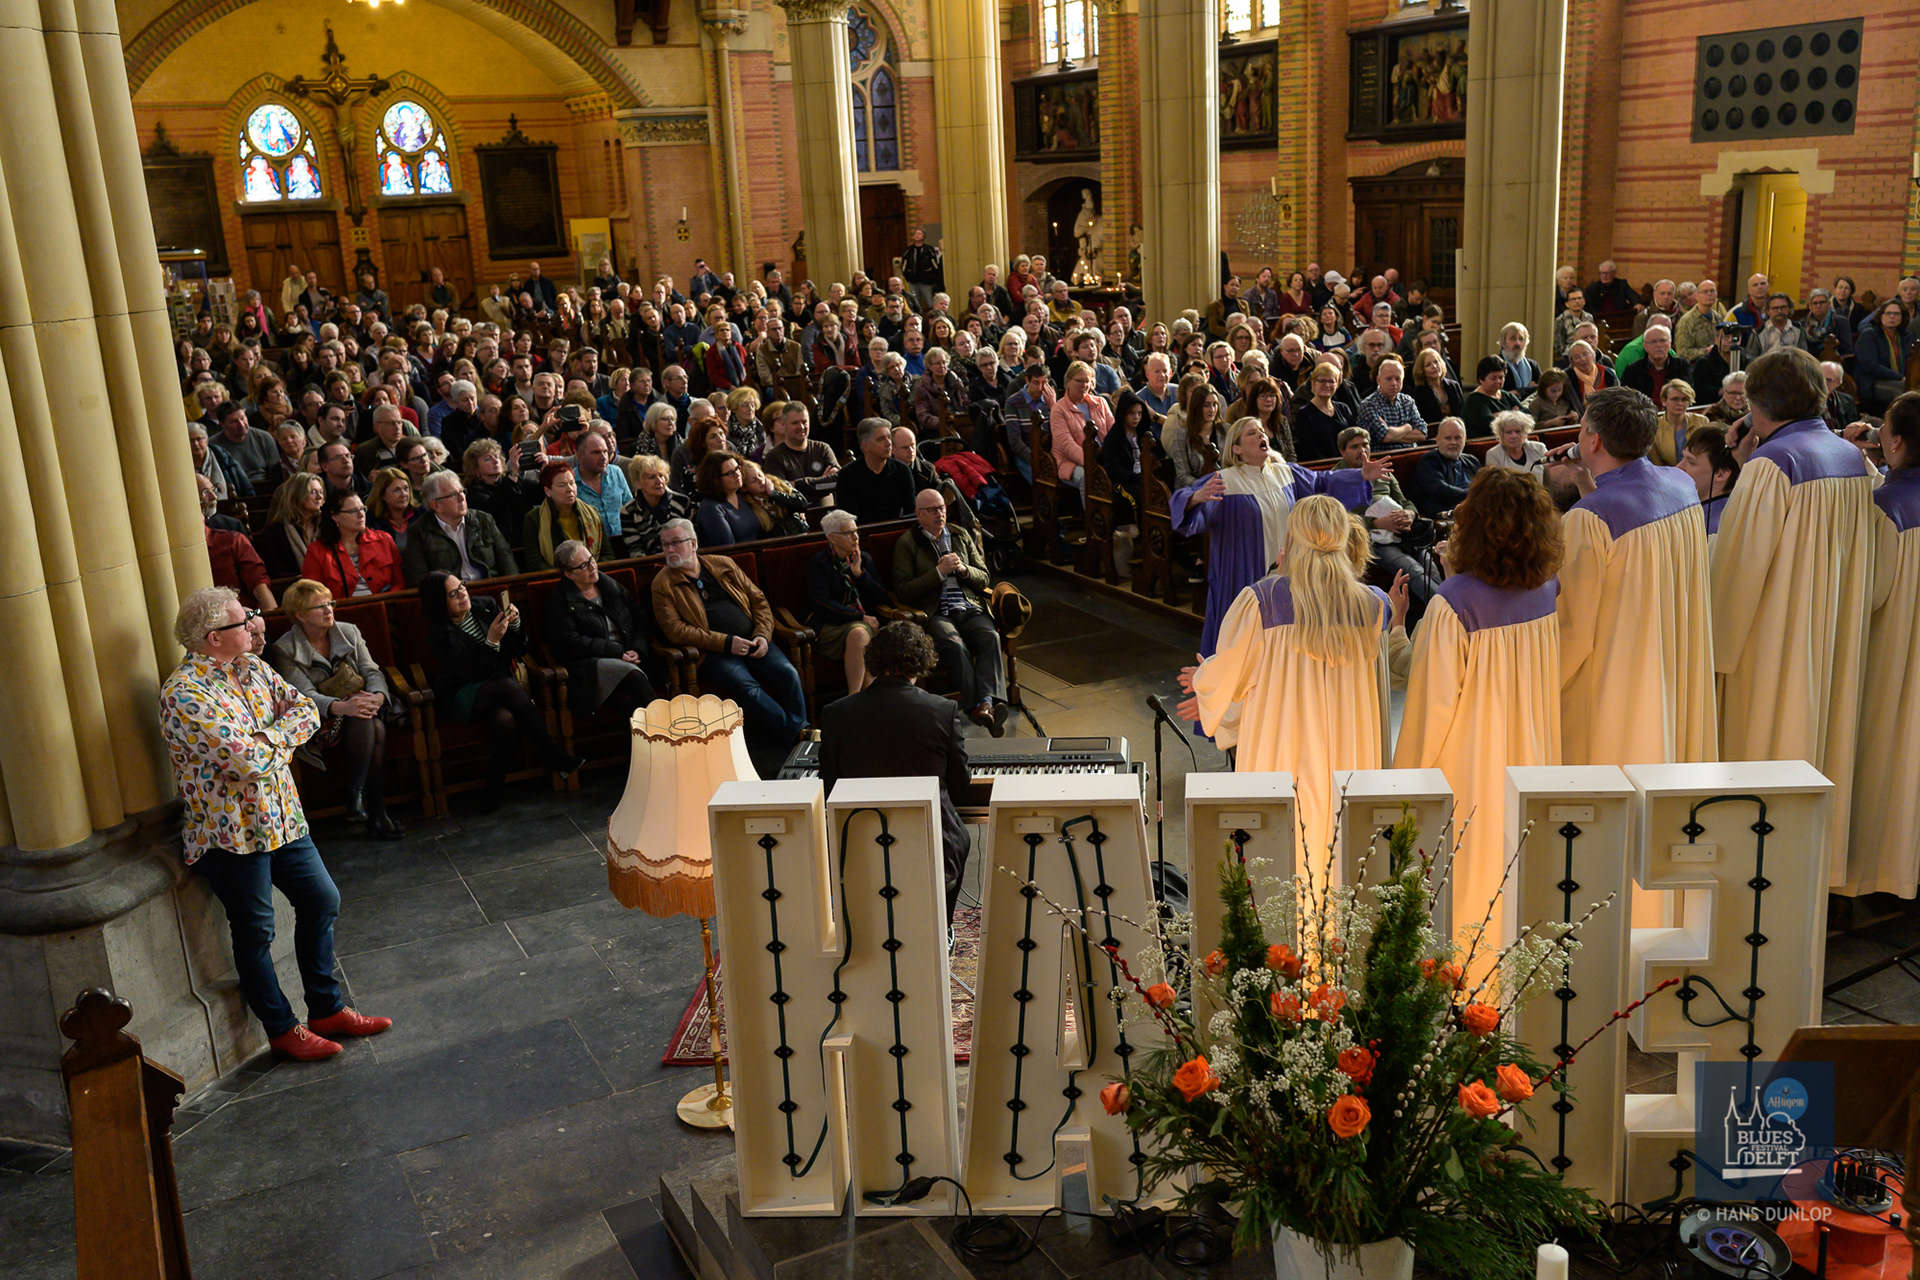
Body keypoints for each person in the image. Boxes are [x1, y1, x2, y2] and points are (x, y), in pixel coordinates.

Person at [159, 587, 391, 1062]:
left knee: (322, 900)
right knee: (256, 933)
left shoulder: (254, 667)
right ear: (213, 638)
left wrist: (268, 740)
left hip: (283, 818)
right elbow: (246, 761)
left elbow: (306, 710)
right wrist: (277, 742)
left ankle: (326, 1009)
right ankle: (283, 1029)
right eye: (241, 620)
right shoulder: (185, 693)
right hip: (231, 833)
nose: (252, 624)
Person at [1712, 346, 1879, 860]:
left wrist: (1713, 653)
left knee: (1767, 757)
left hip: (1776, 647)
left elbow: (1739, 569)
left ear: (1757, 405)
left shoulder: (1773, 464)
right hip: (1832, 636)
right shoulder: (1851, 458)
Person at [1393, 469, 1563, 950]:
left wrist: (1405, 787)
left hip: (1473, 767)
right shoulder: (1547, 588)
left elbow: (1430, 709)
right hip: (1531, 758)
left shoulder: (1453, 605)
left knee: (1473, 881)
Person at [1175, 495, 1400, 853]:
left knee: (1284, 846)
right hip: (1347, 743)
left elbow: (1231, 672)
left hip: (1283, 742)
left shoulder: (1261, 600)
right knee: (1340, 842)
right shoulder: (1373, 605)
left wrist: (1206, 682)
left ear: (1292, 538)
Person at [1548, 385, 1716, 772]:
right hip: (1671, 659)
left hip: (1619, 681)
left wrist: (1535, 681)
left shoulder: (1587, 518)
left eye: (1582, 427)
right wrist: (1586, 483)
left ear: (1594, 440)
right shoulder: (1682, 485)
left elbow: (1574, 626)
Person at [1171, 416, 1381, 655]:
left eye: (1261, 430)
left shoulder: (1285, 474)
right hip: (1243, 572)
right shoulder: (1224, 482)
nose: (1261, 435)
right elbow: (1183, 504)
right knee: (1245, 642)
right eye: (1252, 433)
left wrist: (1360, 476)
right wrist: (1195, 498)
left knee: (1284, 640)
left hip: (1288, 569)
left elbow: (1323, 483)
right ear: (1236, 448)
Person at [819, 622, 972, 920]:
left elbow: (830, 787)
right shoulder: (943, 710)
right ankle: (943, 924)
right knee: (958, 834)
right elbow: (960, 783)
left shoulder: (836, 713)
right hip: (932, 847)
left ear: (873, 660)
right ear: (921, 660)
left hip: (862, 849)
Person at [651, 519, 807, 771]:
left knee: (788, 673)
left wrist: (762, 634)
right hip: (714, 653)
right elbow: (675, 631)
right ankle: (801, 735)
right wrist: (726, 643)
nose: (669, 550)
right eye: (665, 544)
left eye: (676, 543)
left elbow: (758, 600)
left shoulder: (723, 565)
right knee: (748, 688)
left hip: (754, 640)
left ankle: (796, 736)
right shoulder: (663, 584)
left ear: (693, 543)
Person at [419, 571, 582, 809]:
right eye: (453, 594)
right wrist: (492, 641)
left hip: (498, 688)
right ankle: (553, 755)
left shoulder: (485, 605)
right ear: (438, 602)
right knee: (506, 686)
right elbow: (472, 674)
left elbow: (519, 649)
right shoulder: (438, 634)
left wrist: (515, 625)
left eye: (462, 586)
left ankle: (493, 791)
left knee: (504, 719)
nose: (463, 594)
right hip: (461, 694)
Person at [1843, 393, 1920, 896]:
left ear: (1895, 442)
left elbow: (1870, 594)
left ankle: (1874, 877)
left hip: (1896, 655)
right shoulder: (1892, 495)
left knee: (1886, 764)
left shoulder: (1887, 508)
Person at [269, 579, 402, 839]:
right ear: (300, 614)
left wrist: (377, 696)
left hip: (361, 710)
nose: (328, 610)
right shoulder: (285, 648)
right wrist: (342, 707)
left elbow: (371, 671)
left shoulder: (349, 632)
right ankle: (375, 809)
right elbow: (304, 696)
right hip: (321, 720)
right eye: (319, 606)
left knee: (368, 721)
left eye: (330, 603)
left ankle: (359, 796)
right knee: (371, 724)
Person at [893, 488, 1010, 735]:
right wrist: (938, 573)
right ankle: (980, 706)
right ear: (918, 514)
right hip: (936, 612)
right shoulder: (907, 543)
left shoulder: (960, 534)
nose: (939, 514)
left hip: (969, 606)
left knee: (991, 636)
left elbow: (984, 576)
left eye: (942, 508)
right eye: (932, 510)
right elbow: (903, 590)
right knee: (955, 645)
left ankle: (984, 705)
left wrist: (964, 570)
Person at [544, 539, 657, 725]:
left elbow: (640, 618)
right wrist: (616, 652)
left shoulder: (610, 586)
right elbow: (570, 642)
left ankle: (652, 740)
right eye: (583, 565)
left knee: (628, 704)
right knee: (633, 675)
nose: (592, 567)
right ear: (568, 574)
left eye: (591, 559)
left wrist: (637, 649)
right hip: (590, 665)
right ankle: (667, 731)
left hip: (627, 655)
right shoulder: (559, 600)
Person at [1336, 426, 1435, 621]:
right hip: (1371, 539)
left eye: (1365, 445)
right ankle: (1447, 610)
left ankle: (1445, 608)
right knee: (1413, 569)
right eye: (1354, 447)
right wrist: (1377, 523)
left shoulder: (1382, 471)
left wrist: (1410, 514)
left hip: (1403, 531)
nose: (1362, 450)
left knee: (1429, 563)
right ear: (1342, 451)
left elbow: (1404, 501)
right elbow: (1340, 519)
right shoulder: (1336, 478)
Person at [808, 509, 890, 696]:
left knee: (861, 634)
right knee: (860, 633)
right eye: (848, 533)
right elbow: (821, 604)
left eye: (856, 531)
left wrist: (859, 574)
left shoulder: (864, 559)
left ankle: (860, 702)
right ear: (832, 538)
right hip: (830, 627)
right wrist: (860, 616)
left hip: (860, 625)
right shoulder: (820, 563)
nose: (855, 537)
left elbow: (881, 597)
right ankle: (856, 697)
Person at [403, 470, 519, 585]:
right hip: (451, 594)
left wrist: (512, 588)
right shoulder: (419, 532)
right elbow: (418, 579)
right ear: (436, 505)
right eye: (454, 494)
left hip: (490, 587)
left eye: (462, 491)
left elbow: (506, 558)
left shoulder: (484, 520)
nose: (462, 498)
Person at [302, 489, 401, 597]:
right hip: (343, 606)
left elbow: (399, 582)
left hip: (385, 603)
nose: (361, 515)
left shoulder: (384, 540)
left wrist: (389, 600)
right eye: (353, 511)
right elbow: (314, 594)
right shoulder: (317, 551)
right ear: (335, 517)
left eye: (362, 509)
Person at [523, 458, 605, 569]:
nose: (570, 489)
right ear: (548, 491)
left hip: (593, 571)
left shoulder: (592, 513)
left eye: (572, 483)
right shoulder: (534, 518)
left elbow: (606, 552)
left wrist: (592, 571)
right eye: (562, 485)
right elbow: (534, 561)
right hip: (556, 576)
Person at [836, 415, 919, 524]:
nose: (888, 443)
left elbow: (911, 512)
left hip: (897, 530)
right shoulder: (847, 475)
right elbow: (848, 520)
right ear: (866, 446)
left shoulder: (902, 470)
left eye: (889, 437)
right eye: (881, 439)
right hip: (862, 532)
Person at [253, 472, 327, 579]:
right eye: (313, 492)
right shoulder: (273, 531)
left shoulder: (326, 524)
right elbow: (275, 572)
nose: (319, 497)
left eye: (321, 492)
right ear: (296, 495)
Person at [1406, 418, 1479, 519]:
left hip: (1473, 505)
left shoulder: (1472, 461)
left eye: (1458, 438)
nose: (1453, 442)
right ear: (1438, 440)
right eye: (1448, 438)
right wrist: (1475, 495)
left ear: (1465, 439)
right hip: (1444, 509)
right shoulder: (1430, 460)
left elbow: (1484, 485)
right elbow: (1440, 491)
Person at [624, 454, 694, 556]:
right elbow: (635, 549)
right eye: (651, 477)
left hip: (683, 558)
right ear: (638, 484)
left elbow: (692, 539)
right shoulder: (628, 510)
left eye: (661, 476)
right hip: (650, 563)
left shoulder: (682, 502)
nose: (659, 481)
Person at [1678, 423, 1738, 537]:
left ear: (1720, 474)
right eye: (1683, 457)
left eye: (1691, 462)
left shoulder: (1714, 530)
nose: (1678, 467)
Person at [1855, 300, 1914, 414]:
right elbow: (1871, 366)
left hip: (1899, 378)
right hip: (1872, 381)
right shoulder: (1870, 334)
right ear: (1881, 315)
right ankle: (1896, 422)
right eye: (1888, 313)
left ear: (1903, 317)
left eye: (1896, 314)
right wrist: (1899, 377)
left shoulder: (1905, 335)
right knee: (1902, 392)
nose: (1892, 317)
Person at [694, 450, 760, 546]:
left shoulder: (741, 494)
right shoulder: (710, 508)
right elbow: (728, 547)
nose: (737, 474)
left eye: (737, 468)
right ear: (716, 479)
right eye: (730, 473)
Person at [1647, 379, 1707, 467]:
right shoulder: (1654, 426)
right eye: (1675, 399)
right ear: (1664, 401)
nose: (1680, 403)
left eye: (1684, 399)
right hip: (1667, 472)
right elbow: (1656, 462)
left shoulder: (1701, 421)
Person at [1462, 355, 1523, 439]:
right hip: (1485, 442)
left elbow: (1527, 415)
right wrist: (1513, 413)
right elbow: (1490, 425)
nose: (1498, 381)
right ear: (1481, 379)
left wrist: (1500, 415)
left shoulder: (1507, 396)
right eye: (1493, 378)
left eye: (1501, 377)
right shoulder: (1475, 400)